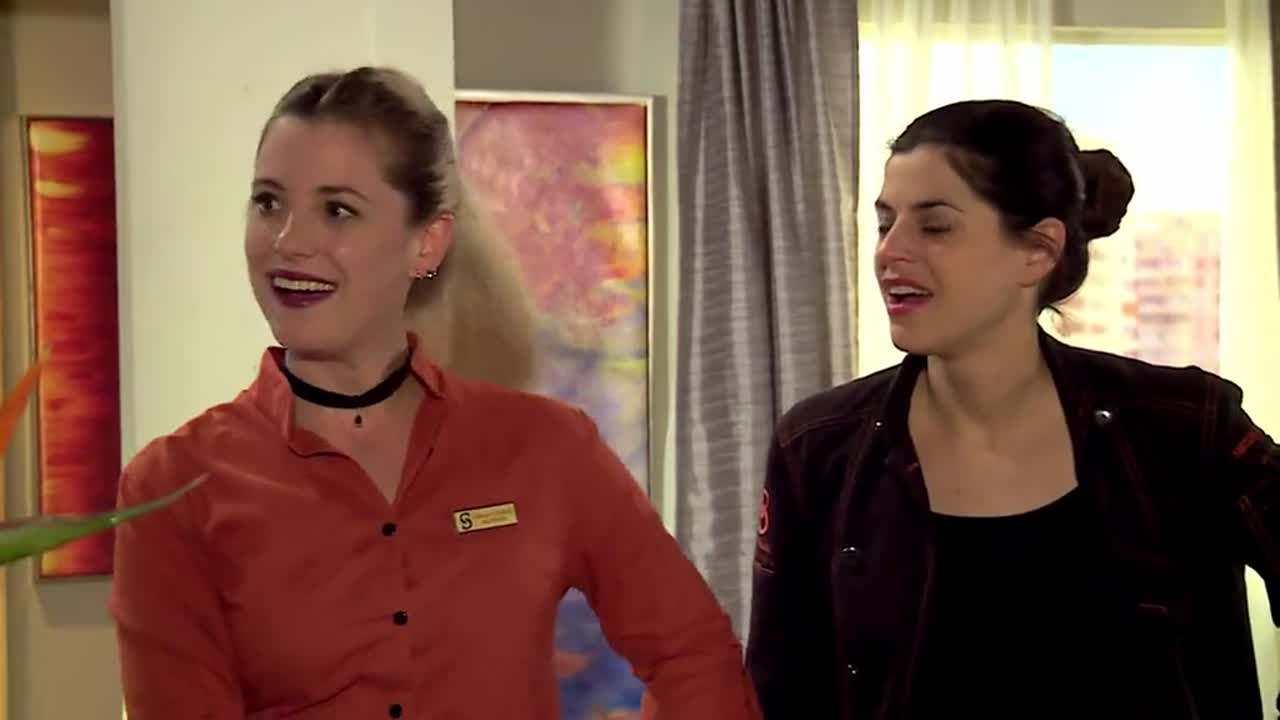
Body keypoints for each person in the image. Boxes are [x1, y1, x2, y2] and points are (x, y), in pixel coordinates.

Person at [109, 66, 760, 720]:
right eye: (268, 203)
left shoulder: (547, 447)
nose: (290, 242)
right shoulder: (173, 488)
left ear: (427, 243)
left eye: (337, 210)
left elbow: (693, 653)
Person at [744, 98, 1280, 719]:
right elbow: (779, 687)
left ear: (1037, 251)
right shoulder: (818, 446)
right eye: (886, 223)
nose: (890, 251)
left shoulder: (1189, 426)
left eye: (935, 226)